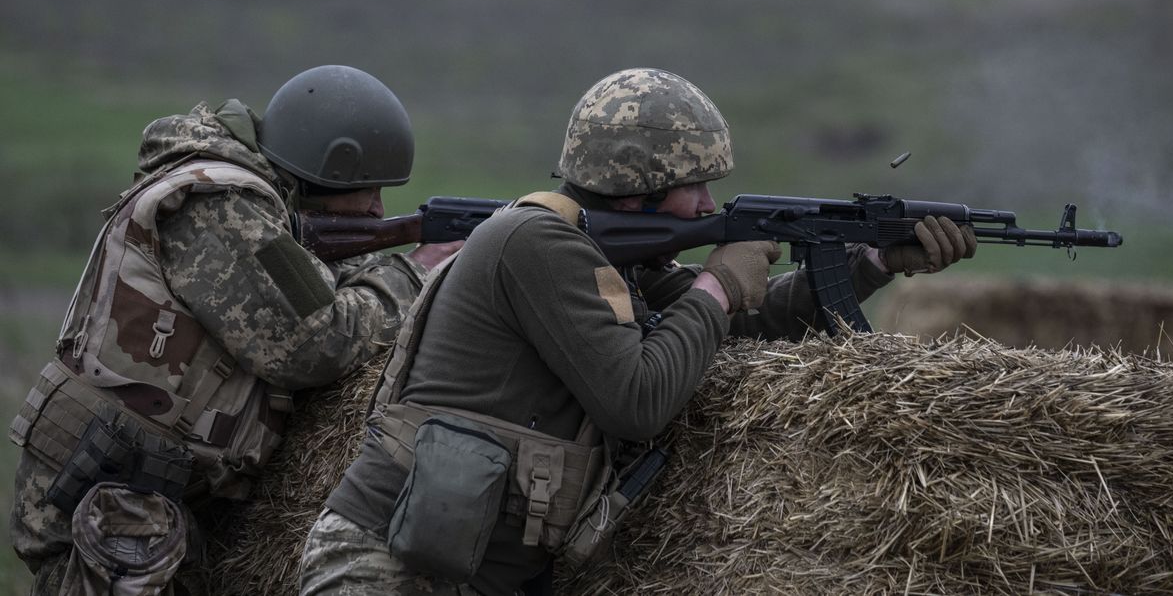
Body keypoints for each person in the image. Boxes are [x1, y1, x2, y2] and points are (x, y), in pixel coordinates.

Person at [298, 68, 975, 596]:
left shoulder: (611, 259)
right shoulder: (536, 242)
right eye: (695, 185)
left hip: (459, 571)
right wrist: (715, 284)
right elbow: (638, 396)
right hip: (384, 570)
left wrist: (872, 262)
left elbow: (746, 327)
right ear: (635, 188)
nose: (710, 205)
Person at [7, 64, 461, 594]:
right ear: (327, 169)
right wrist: (416, 270)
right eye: (368, 188)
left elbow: (307, 291)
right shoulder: (218, 205)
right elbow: (313, 343)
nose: (379, 208)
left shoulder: (247, 206)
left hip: (148, 496)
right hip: (114, 507)